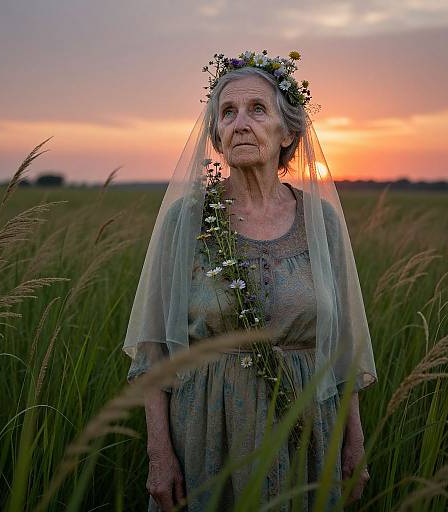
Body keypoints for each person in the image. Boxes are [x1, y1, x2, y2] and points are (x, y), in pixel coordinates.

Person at [122, 50, 378, 511]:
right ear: (217, 136)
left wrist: (353, 442)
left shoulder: (321, 223)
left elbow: (342, 347)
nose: (241, 122)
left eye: (258, 109)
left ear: (288, 132)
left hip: (306, 432)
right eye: (227, 112)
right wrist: (159, 456)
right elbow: (154, 349)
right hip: (206, 433)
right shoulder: (188, 221)